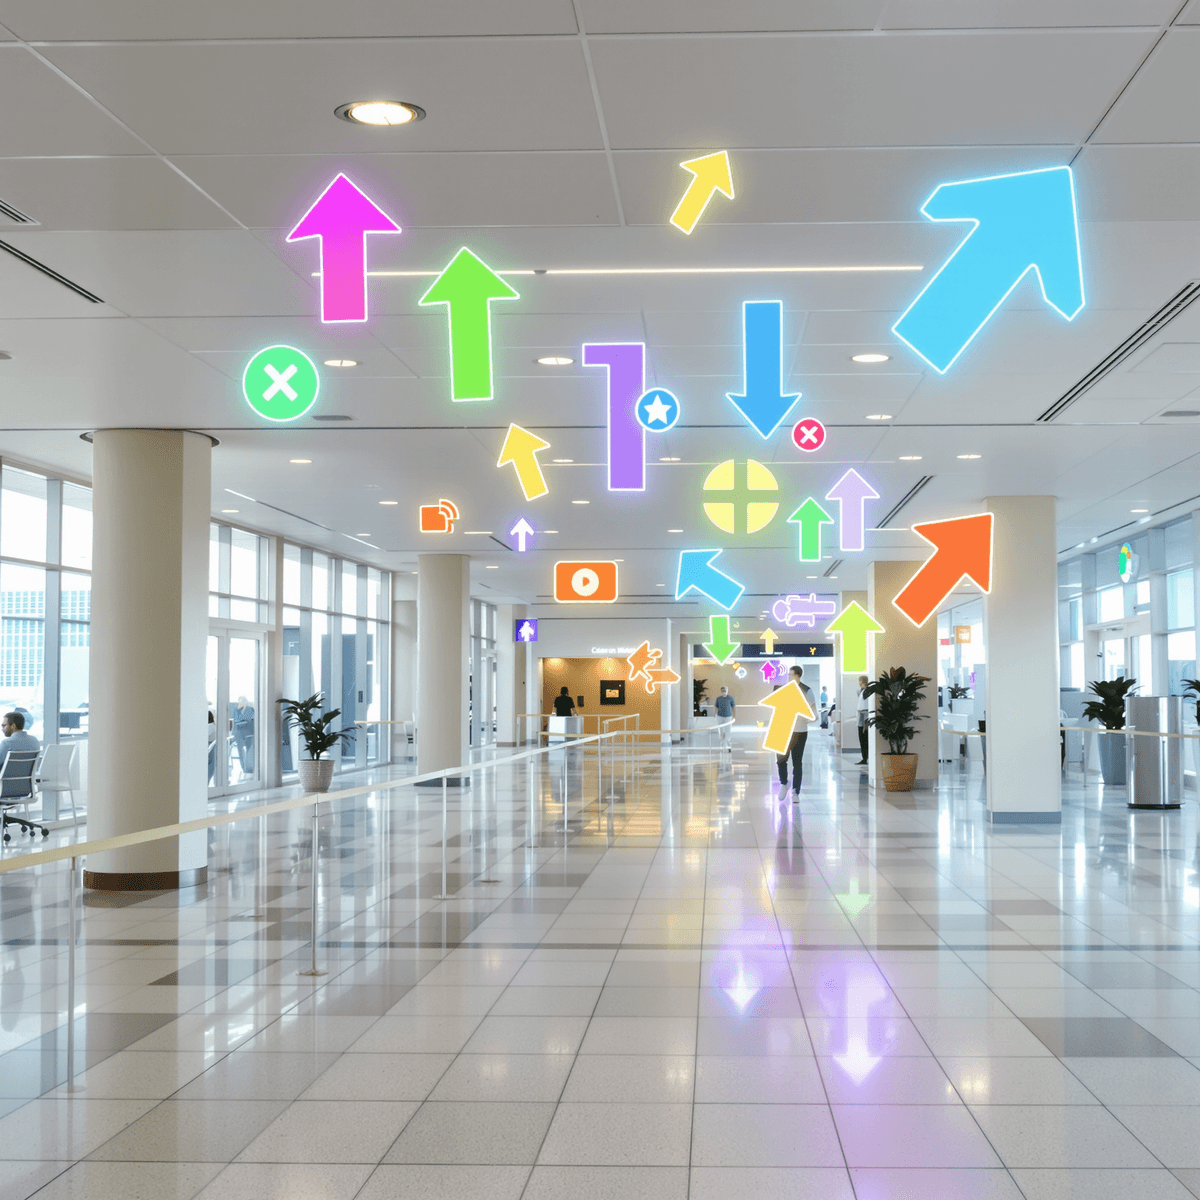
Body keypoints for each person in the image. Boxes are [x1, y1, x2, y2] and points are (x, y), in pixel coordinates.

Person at [777, 665, 815, 798]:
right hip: (783, 729)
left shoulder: (807, 690)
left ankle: (796, 791)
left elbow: (808, 711)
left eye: (791, 675)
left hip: (800, 731)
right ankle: (783, 783)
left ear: (798, 675)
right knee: (781, 760)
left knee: (797, 762)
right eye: (788, 675)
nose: (789, 677)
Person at [232, 696, 255, 777]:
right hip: (239, 733)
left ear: (245, 702)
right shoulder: (236, 710)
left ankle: (249, 768)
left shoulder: (250, 709)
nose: (240, 703)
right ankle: (243, 768)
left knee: (249, 750)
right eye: (239, 702)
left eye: (242, 701)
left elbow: (248, 719)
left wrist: (241, 720)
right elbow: (236, 719)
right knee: (240, 751)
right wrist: (242, 721)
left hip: (249, 733)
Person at [714, 685, 735, 752]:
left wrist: (733, 716)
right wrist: (715, 713)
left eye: (725, 691)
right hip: (720, 716)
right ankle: (721, 745)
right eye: (722, 691)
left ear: (727, 691)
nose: (723, 692)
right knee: (721, 731)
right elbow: (716, 706)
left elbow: (733, 707)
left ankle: (728, 745)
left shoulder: (730, 698)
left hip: (728, 717)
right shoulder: (718, 699)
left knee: (728, 732)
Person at [856, 675, 870, 765]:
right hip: (860, 715)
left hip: (866, 715)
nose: (859, 682)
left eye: (860, 681)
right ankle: (864, 757)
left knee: (865, 737)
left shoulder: (868, 691)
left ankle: (866, 757)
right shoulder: (860, 691)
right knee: (861, 737)